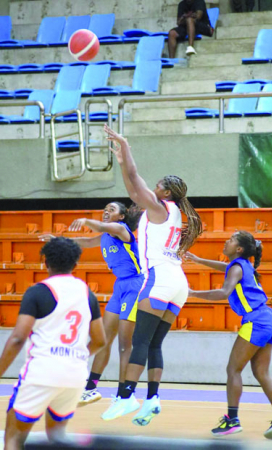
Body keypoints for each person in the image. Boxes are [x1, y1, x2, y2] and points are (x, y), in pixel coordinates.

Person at [101, 124, 202, 426]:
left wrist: (125, 149)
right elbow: (134, 184)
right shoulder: (175, 211)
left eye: (158, 185)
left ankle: (126, 395)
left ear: (166, 192)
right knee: (155, 344)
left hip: (158, 278)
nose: (153, 187)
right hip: (178, 284)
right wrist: (121, 162)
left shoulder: (160, 207)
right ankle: (153, 398)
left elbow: (133, 186)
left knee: (140, 341)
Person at [186, 231, 272, 440]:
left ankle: (232, 420)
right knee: (261, 372)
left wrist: (193, 293)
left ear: (239, 249)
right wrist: (199, 260)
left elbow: (224, 292)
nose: (226, 241)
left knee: (233, 369)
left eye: (231, 240)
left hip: (256, 321)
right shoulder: (243, 266)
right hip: (270, 318)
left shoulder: (237, 267)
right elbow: (226, 268)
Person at [1, 237, 106, 450]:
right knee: (56, 440)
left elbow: (18, 338)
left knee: (14, 436)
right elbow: (100, 340)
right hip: (75, 374)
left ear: (45, 262)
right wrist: (76, 355)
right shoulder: (87, 293)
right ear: (75, 264)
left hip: (43, 371)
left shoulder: (38, 291)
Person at [40, 202, 143, 406]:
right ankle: (91, 388)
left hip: (135, 285)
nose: (106, 211)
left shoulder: (122, 230)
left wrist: (87, 220)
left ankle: (125, 394)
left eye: (111, 210)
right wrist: (58, 241)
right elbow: (85, 242)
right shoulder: (105, 236)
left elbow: (105, 227)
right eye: (105, 209)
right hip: (120, 286)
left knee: (125, 344)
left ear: (122, 217)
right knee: (104, 339)